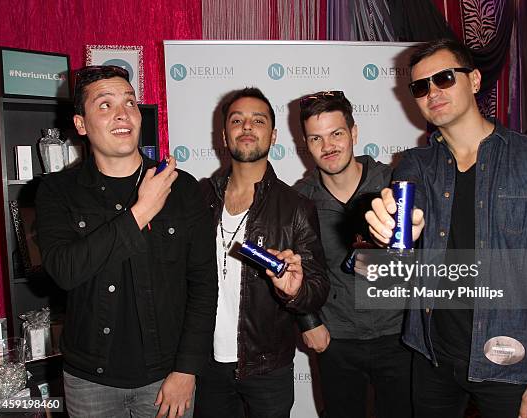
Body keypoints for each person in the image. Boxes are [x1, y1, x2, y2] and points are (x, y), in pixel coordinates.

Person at [365, 39, 527, 418]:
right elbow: (403, 239)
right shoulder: (414, 165)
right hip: (432, 354)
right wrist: (392, 238)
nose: (432, 92)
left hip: (510, 359)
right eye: (420, 86)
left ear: (475, 80)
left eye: (444, 78)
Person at [35, 65, 218, 418]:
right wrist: (141, 211)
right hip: (90, 381)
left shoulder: (182, 188)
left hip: (166, 376)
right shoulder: (56, 192)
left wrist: (187, 369)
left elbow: (204, 285)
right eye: (105, 105)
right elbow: (64, 271)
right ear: (81, 124)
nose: (123, 114)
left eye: (130, 102)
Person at [195, 87, 329, 418]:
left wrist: (296, 291)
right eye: (237, 120)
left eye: (258, 120)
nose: (247, 127)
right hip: (205, 364)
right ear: (224, 136)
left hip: (267, 367)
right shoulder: (199, 198)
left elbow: (317, 286)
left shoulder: (296, 207)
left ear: (273, 134)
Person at [293, 90, 412, 418]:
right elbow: (292, 272)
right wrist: (309, 322)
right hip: (337, 341)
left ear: (354, 133)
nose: (327, 146)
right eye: (316, 138)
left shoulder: (395, 183)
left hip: (399, 336)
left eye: (336, 134)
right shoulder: (300, 201)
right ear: (305, 143)